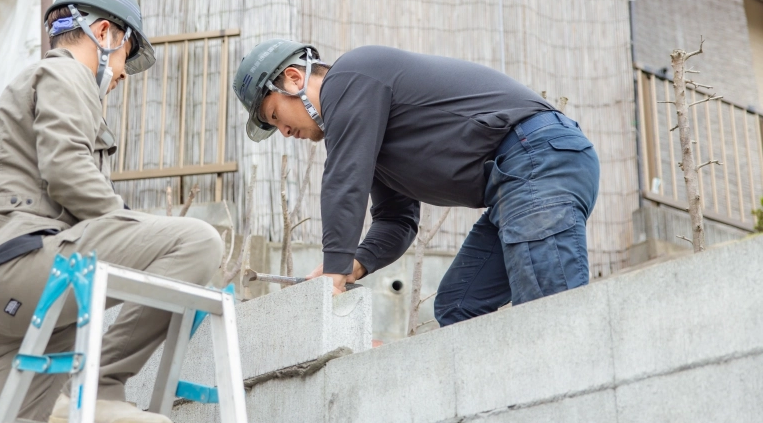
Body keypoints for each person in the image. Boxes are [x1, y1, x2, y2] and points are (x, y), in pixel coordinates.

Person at [0, 0, 223, 423]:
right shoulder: (66, 75)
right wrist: (136, 231)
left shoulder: (39, 81)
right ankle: (102, 381)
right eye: (126, 57)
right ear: (105, 33)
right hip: (26, 263)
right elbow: (67, 169)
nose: (122, 76)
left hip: (0, 308)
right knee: (196, 243)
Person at [233, 40, 599, 326]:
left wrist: (333, 269)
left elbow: (345, 179)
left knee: (551, 310)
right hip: (514, 183)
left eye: (274, 115)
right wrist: (352, 267)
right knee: (459, 304)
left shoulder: (352, 75)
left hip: (539, 158)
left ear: (294, 79)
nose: (283, 131)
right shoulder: (365, 125)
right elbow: (397, 221)